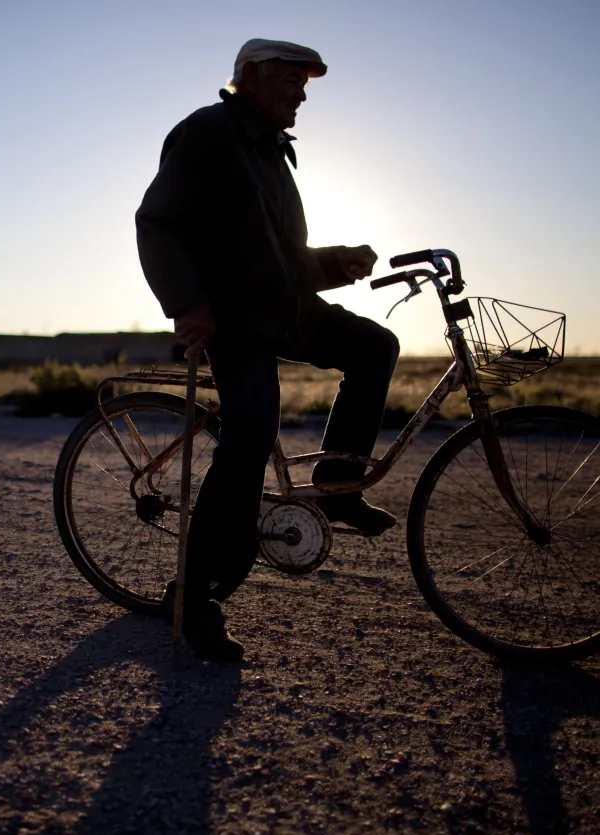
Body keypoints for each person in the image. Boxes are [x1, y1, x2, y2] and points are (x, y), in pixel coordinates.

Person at [135, 38, 401, 662]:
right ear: (251, 76)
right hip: (234, 320)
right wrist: (187, 303)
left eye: (305, 84)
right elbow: (157, 222)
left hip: (288, 311)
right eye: (290, 80)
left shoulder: (273, 150)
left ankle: (337, 487)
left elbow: (280, 260)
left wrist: (335, 263)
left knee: (375, 346)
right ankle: (195, 594)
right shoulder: (209, 132)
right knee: (250, 438)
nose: (301, 94)